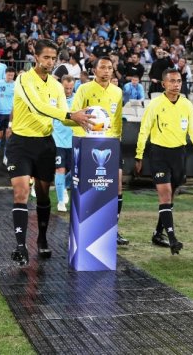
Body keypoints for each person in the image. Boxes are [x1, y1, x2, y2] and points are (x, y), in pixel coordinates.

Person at [7, 39, 92, 266]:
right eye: (46, 57)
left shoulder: (55, 86)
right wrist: (71, 115)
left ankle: (42, 238)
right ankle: (20, 245)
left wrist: (87, 121)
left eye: (53, 58)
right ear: (35, 57)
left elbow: (63, 117)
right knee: (21, 191)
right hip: (21, 144)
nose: (50, 61)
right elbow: (37, 107)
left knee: (44, 195)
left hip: (45, 144)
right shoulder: (23, 79)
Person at [135, 68, 193, 255]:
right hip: (158, 154)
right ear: (163, 84)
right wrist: (139, 155)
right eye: (172, 81)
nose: (176, 84)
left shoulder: (186, 105)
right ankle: (173, 239)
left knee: (170, 198)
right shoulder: (155, 104)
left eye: (179, 81)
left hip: (179, 155)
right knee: (165, 195)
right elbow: (144, 129)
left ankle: (158, 233)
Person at [71, 56, 128, 245]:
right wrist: (81, 138)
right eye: (102, 67)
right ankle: (86, 229)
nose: (106, 71)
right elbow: (74, 115)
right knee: (91, 186)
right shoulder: (84, 89)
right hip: (88, 144)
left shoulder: (118, 92)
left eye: (110, 68)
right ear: (94, 70)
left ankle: (114, 228)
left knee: (117, 185)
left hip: (111, 144)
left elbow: (118, 119)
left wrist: (117, 140)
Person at [52, 75, 75, 212]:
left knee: (75, 172)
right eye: (66, 88)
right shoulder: (55, 100)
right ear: (62, 86)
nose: (68, 90)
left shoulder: (78, 99)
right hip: (57, 141)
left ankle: (63, 186)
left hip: (73, 141)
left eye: (71, 88)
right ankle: (61, 202)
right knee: (60, 170)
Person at [0, 67, 15, 161]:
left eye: (12, 75)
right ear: (5, 74)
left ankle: (6, 155)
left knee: (9, 135)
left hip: (11, 115)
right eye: (8, 75)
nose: (10, 77)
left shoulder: (16, 85)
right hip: (0, 113)